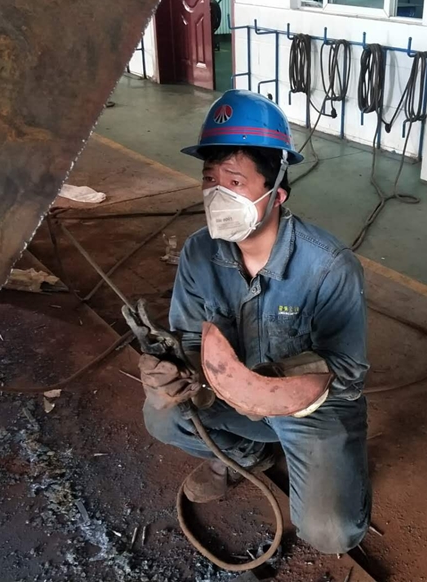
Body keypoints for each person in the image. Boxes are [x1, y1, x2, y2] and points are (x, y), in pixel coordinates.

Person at [138, 89, 371, 554]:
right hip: (230, 395)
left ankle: (343, 469)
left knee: (331, 532)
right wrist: (172, 371)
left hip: (310, 408)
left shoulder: (328, 266)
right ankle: (246, 454)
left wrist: (269, 384)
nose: (216, 195)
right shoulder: (199, 252)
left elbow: (347, 372)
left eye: (234, 181)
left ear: (276, 192)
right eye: (210, 180)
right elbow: (189, 337)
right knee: (161, 416)